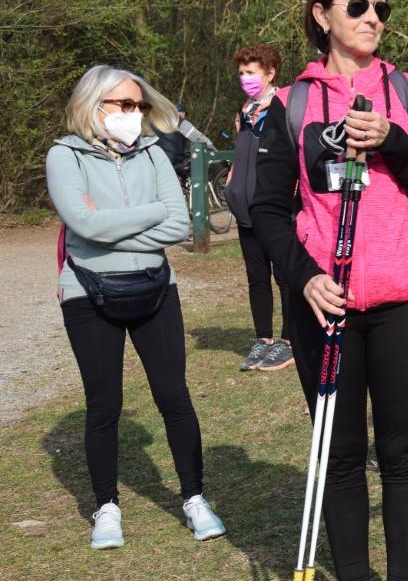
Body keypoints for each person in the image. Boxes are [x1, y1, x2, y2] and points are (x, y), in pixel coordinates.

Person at [249, 0, 408, 581]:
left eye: (382, 9)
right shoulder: (291, 103)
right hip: (324, 306)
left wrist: (394, 139)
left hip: (406, 304)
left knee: (402, 455)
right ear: (322, 15)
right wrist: (305, 275)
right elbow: (265, 209)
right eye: (358, 7)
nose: (374, 19)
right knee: (338, 457)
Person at [46, 65, 227, 550]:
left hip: (155, 287)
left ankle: (194, 497)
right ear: (93, 104)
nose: (134, 114)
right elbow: (82, 224)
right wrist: (143, 216)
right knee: (104, 404)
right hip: (88, 291)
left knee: (174, 395)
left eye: (139, 105)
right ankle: (106, 507)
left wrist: (111, 222)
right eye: (123, 105)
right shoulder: (64, 155)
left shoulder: (152, 152)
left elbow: (179, 225)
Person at [224, 44, 294, 372]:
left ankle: (289, 340)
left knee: (284, 274)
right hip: (245, 207)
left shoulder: (284, 106)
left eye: (251, 73)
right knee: (256, 277)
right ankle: (262, 339)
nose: (245, 79)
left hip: (277, 207)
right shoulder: (244, 111)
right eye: (241, 73)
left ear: (270, 73)